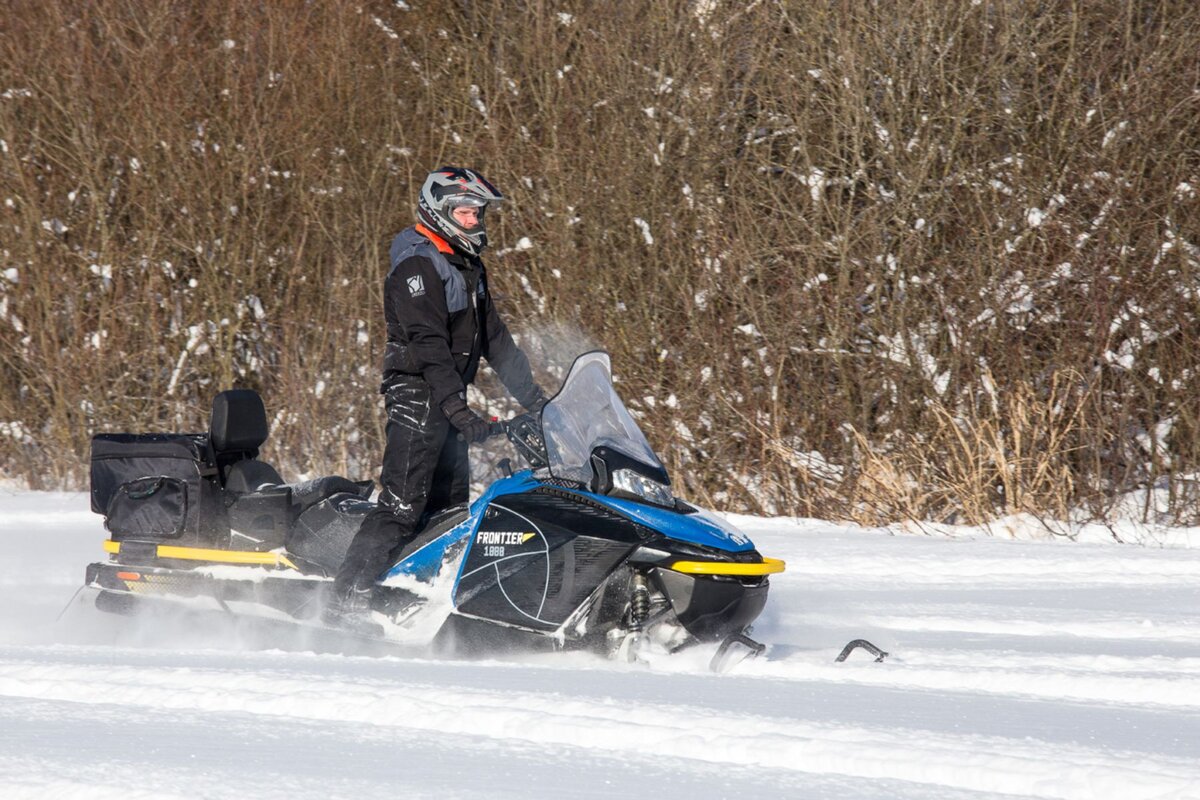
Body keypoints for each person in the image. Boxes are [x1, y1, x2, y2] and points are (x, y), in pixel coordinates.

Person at [325, 166, 546, 630]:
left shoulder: (467, 265)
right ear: (439, 212)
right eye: (466, 213)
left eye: (478, 213)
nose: (475, 221)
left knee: (448, 512)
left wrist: (540, 403)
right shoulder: (418, 264)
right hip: (416, 395)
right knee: (403, 505)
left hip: (446, 395)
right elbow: (427, 343)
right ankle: (344, 604)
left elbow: (496, 341)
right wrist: (456, 408)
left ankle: (412, 595)